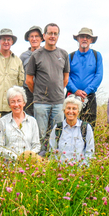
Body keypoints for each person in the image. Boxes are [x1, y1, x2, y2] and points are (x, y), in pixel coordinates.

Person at [26, 23, 70, 155]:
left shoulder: (63, 54)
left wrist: (56, 90)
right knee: (41, 133)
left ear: (58, 36)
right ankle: (41, 158)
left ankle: (55, 157)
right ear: (44, 36)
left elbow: (66, 78)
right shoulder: (36, 55)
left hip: (58, 101)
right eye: (50, 33)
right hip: (40, 102)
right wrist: (39, 93)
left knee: (58, 132)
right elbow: (29, 80)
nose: (52, 36)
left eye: (55, 34)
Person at [67, 27, 103, 129]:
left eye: (87, 37)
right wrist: (75, 90)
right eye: (82, 36)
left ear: (91, 40)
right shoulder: (71, 56)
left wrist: (86, 91)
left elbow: (99, 75)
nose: (85, 39)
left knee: (89, 125)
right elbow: (66, 76)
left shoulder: (97, 55)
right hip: (72, 95)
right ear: (78, 39)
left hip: (89, 96)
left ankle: (88, 144)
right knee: (71, 123)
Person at [0, 86, 41, 160]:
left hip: (28, 164)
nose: (16, 104)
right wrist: (15, 157)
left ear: (24, 103)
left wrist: (27, 157)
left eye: (19, 101)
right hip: (8, 164)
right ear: (9, 105)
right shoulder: (3, 121)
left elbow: (36, 145)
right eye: (13, 102)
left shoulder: (32, 121)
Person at [49, 96, 94, 166]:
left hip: (80, 171)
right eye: (68, 108)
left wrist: (83, 169)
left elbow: (90, 152)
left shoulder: (86, 128)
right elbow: (52, 151)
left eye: (74, 109)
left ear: (78, 112)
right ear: (64, 111)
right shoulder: (58, 127)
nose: (71, 111)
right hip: (61, 170)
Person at [20, 26, 44, 117]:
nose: (34, 39)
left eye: (37, 36)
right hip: (28, 92)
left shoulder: (46, 54)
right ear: (28, 39)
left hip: (43, 92)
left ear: (42, 38)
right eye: (31, 36)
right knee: (28, 117)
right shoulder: (23, 56)